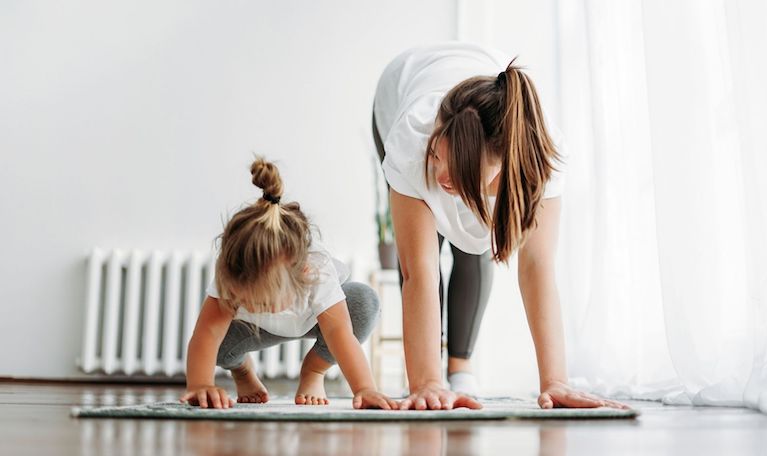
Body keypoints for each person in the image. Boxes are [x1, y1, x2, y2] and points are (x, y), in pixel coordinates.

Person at [372, 42, 627, 410]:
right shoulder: (413, 137)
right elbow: (419, 271)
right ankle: (438, 374)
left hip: (478, 112)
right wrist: (426, 383)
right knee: (425, 245)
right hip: (397, 90)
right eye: (438, 157)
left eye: (458, 172)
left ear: (502, 163)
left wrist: (555, 381)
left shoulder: (542, 159)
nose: (440, 177)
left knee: (471, 245)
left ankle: (461, 369)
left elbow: (538, 266)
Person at [181, 157, 397, 410]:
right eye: (244, 300)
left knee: (363, 303)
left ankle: (314, 371)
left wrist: (365, 389)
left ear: (302, 273)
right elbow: (207, 333)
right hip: (253, 330)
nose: (254, 306)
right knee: (215, 348)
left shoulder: (316, 268)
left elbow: (339, 333)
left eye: (263, 301)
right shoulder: (232, 267)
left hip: (313, 321)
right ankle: (243, 372)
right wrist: (199, 385)